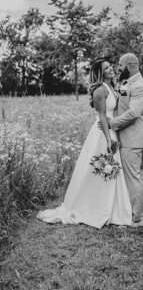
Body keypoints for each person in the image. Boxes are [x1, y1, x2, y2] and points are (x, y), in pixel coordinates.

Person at [37, 58, 133, 228]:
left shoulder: (112, 87)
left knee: (111, 170)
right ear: (100, 73)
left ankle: (111, 208)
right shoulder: (99, 90)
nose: (111, 69)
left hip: (112, 130)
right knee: (103, 169)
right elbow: (102, 116)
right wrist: (108, 138)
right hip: (103, 133)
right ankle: (93, 207)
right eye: (106, 68)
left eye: (111, 66)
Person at [107, 53, 143, 227]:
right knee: (127, 177)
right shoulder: (127, 83)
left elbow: (133, 113)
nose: (118, 68)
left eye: (120, 65)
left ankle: (137, 218)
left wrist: (112, 124)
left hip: (134, 138)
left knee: (133, 178)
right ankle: (129, 212)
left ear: (130, 65)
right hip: (125, 136)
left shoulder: (140, 86)